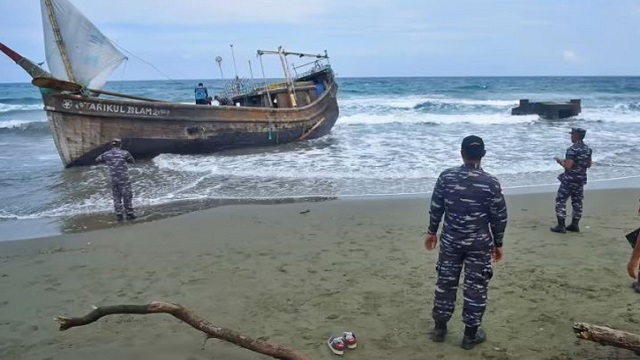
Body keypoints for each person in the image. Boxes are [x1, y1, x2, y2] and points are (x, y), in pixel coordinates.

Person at [425, 135, 508, 350]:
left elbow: (437, 206)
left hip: (451, 240)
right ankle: (470, 336)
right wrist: (498, 243)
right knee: (476, 287)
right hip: (478, 244)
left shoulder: (446, 177)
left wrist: (431, 231)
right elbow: (498, 216)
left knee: (445, 282)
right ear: (483, 155)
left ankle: (440, 329)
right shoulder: (491, 183)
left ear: (461, 153)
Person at [550, 128, 592, 233]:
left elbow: (568, 166)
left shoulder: (572, 150)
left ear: (576, 135)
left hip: (569, 180)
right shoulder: (587, 149)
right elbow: (588, 164)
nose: (571, 136)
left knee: (561, 201)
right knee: (577, 202)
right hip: (580, 180)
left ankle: (561, 226)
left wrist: (560, 161)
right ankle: (574, 224)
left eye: (572, 134)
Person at [95, 138, 136, 221]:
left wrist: (109, 161)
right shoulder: (125, 153)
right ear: (120, 144)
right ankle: (129, 213)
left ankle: (119, 214)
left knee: (116, 197)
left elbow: (97, 159)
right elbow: (132, 161)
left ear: (111, 145)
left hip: (114, 179)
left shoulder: (106, 154)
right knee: (127, 196)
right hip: (123, 178)